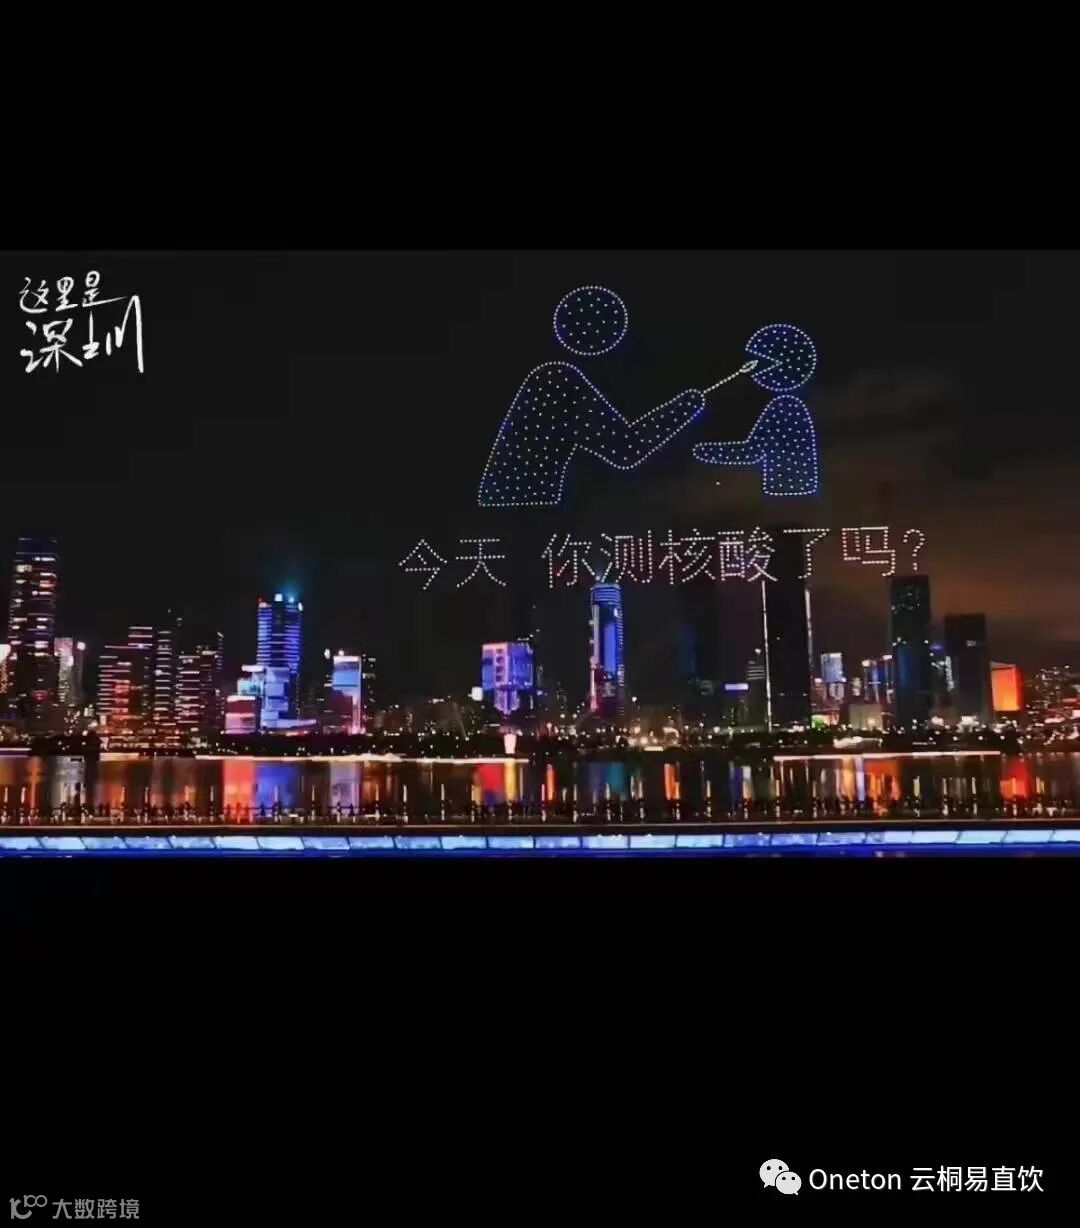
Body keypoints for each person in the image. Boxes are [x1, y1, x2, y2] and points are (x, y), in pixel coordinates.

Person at [478, 285, 757, 508]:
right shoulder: (558, 380)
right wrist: (690, 403)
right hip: (525, 512)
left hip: (520, 506)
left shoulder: (552, 378)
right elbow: (626, 450)